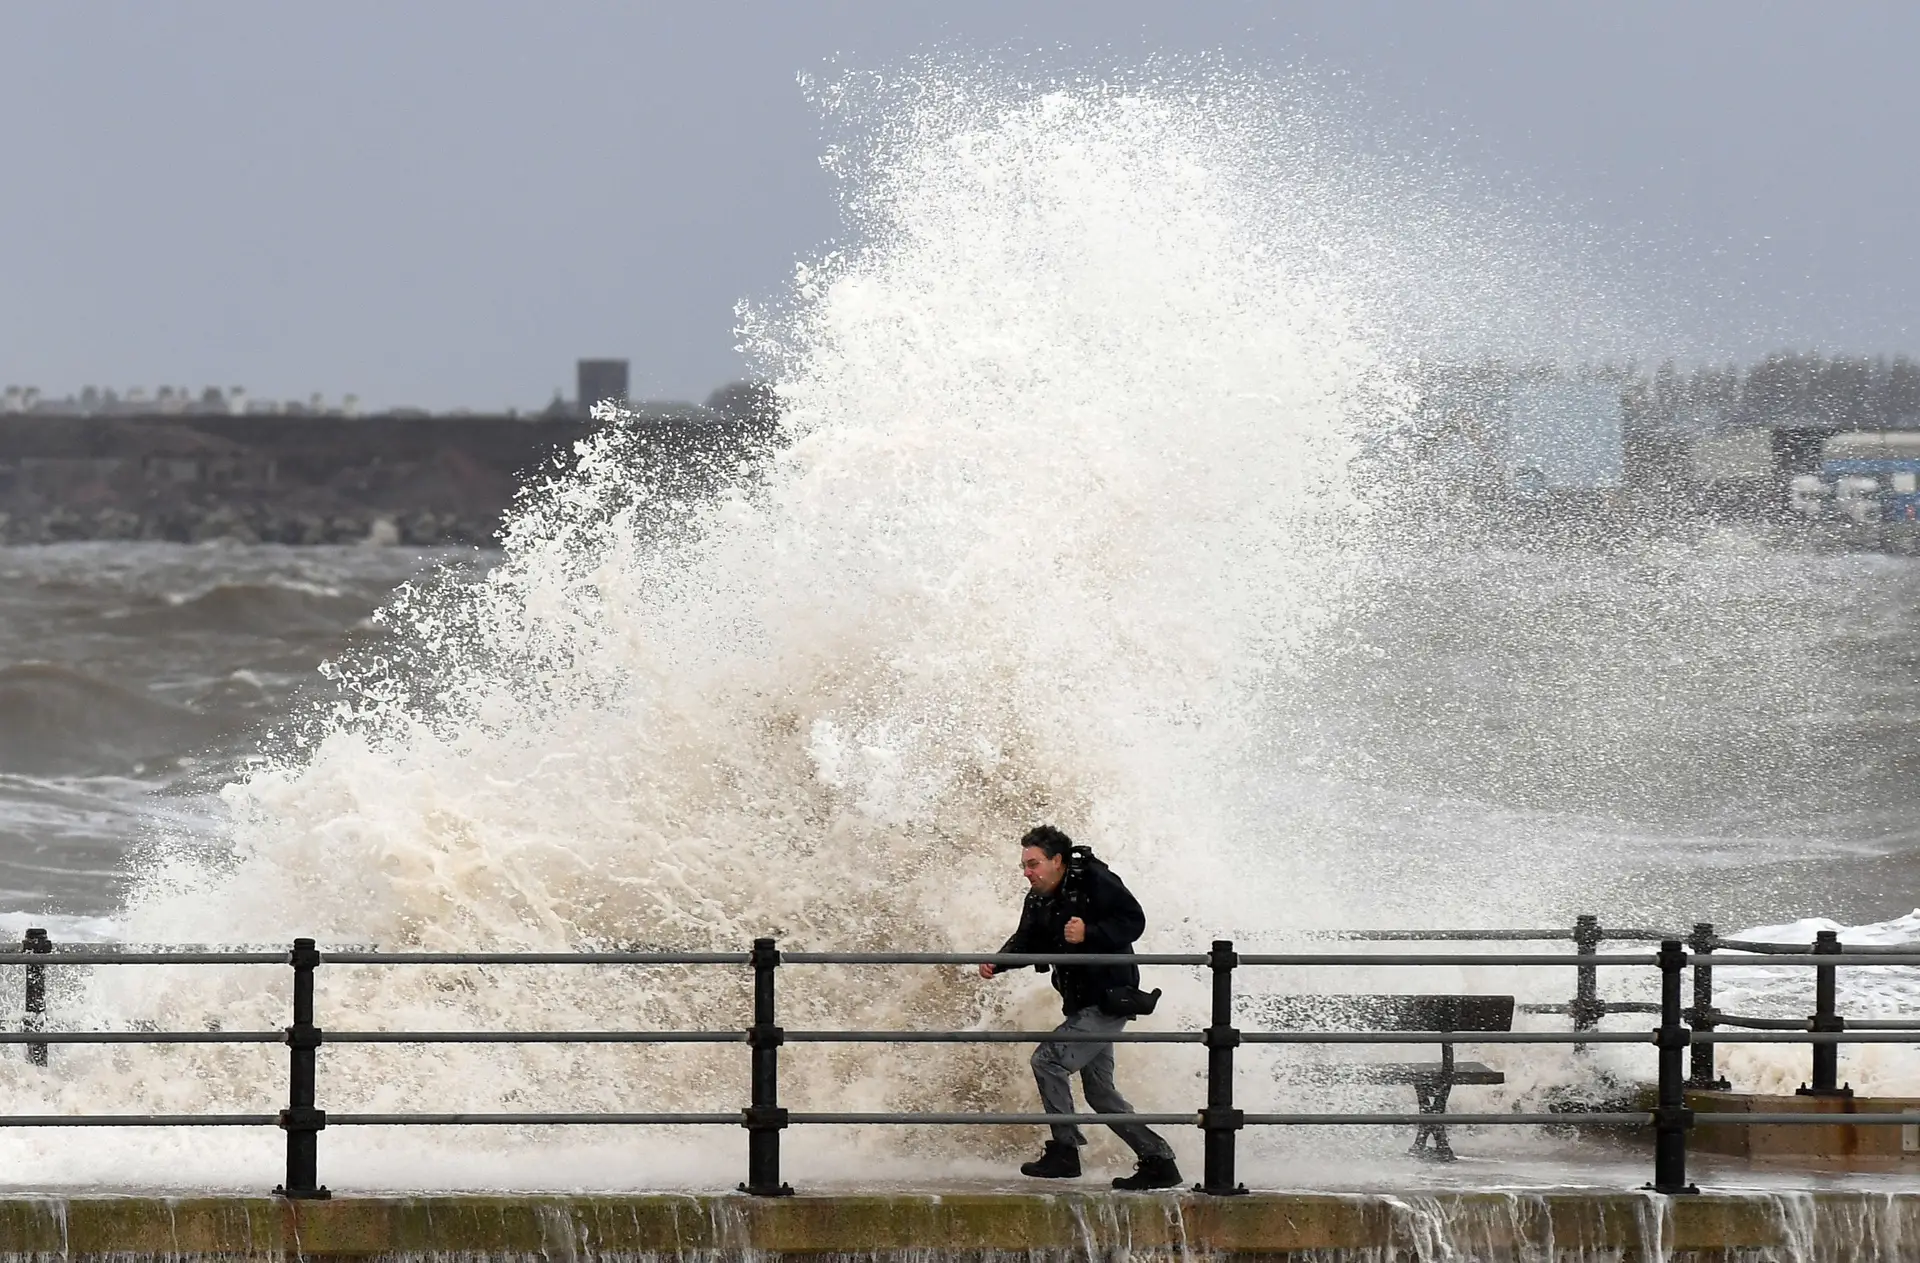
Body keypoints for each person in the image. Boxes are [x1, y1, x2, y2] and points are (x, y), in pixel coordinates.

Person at [978, 824, 1183, 1190]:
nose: (1027, 873)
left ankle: (1065, 1151)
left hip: (1108, 1000)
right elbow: (1028, 940)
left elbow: (1133, 921)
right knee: (1100, 1093)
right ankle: (1159, 1161)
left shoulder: (1094, 880)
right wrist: (999, 961)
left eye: (1034, 864)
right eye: (1024, 866)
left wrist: (1089, 933)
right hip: (1081, 1005)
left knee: (1048, 1061)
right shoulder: (1039, 897)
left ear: (1057, 860)